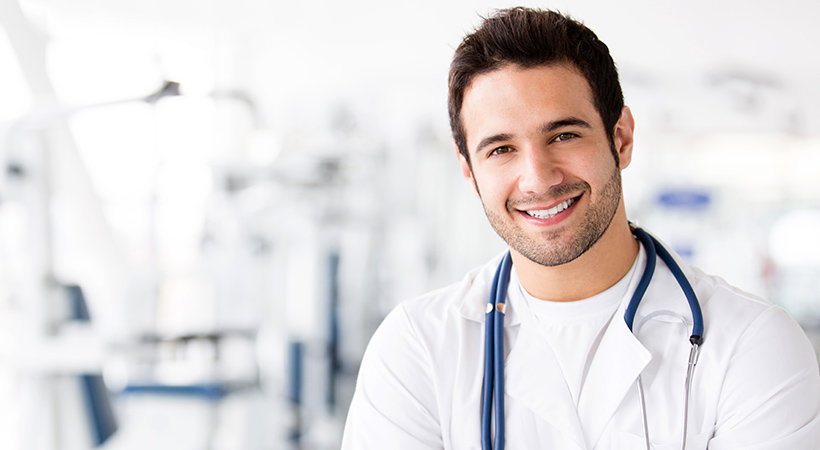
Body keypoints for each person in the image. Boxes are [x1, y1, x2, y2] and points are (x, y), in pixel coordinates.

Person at [341, 7, 820, 449]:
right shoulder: (416, 349)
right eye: (500, 149)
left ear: (621, 138)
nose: (539, 178)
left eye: (564, 135)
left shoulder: (753, 346)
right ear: (469, 171)